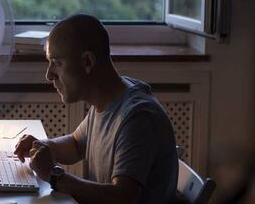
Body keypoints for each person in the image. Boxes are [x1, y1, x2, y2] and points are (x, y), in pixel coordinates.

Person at [14, 14, 178, 204]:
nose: (49, 75)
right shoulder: (108, 98)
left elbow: (123, 197)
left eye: (57, 63)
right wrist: (41, 147)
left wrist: (54, 176)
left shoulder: (138, 118)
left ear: (87, 62)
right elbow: (76, 144)